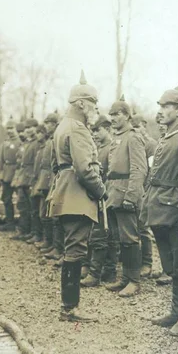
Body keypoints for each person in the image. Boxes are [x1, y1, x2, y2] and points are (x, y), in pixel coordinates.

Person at [48, 71, 105, 322]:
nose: (95, 108)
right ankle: (69, 308)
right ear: (81, 103)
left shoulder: (62, 127)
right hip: (77, 196)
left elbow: (54, 165)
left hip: (63, 193)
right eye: (93, 103)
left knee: (71, 249)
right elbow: (84, 169)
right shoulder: (78, 129)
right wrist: (101, 190)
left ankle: (68, 306)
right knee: (75, 252)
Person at [141, 82, 178, 336]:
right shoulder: (167, 137)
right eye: (161, 106)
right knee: (170, 265)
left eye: (167, 106)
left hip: (176, 209)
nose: (162, 110)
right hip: (160, 207)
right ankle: (176, 310)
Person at [103, 96, 147, 297]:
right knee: (120, 238)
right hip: (114, 193)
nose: (112, 118)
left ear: (127, 116)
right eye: (111, 114)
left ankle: (134, 281)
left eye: (117, 114)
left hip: (126, 195)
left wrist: (131, 196)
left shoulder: (133, 137)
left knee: (130, 239)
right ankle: (125, 277)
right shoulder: (117, 137)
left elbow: (139, 169)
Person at [81, 115, 118, 286]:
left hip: (107, 195)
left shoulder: (112, 149)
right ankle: (101, 270)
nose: (94, 134)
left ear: (108, 129)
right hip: (97, 194)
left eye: (98, 130)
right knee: (99, 234)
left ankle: (100, 273)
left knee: (103, 235)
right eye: (93, 130)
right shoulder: (98, 148)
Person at [132, 113, 157, 277]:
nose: (135, 130)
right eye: (133, 128)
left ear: (144, 125)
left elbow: (151, 170)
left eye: (137, 127)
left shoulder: (151, 145)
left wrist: (145, 190)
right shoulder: (132, 142)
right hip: (133, 188)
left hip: (145, 190)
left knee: (143, 228)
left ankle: (147, 263)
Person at [32, 113, 59, 251]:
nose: (46, 126)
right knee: (44, 213)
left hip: (52, 179)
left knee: (52, 214)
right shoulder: (50, 140)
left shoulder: (57, 138)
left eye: (49, 123)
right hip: (45, 179)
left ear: (54, 124)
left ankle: (54, 245)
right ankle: (48, 241)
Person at [11, 118, 40, 241]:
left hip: (31, 178)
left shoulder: (37, 143)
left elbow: (37, 162)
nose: (28, 130)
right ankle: (24, 230)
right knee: (22, 206)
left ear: (36, 128)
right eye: (26, 128)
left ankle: (34, 232)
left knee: (33, 208)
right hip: (22, 178)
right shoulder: (26, 143)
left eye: (30, 128)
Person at [0, 119, 21, 231]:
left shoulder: (20, 142)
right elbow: (1, 160)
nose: (9, 131)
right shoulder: (5, 142)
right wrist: (0, 174)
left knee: (22, 200)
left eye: (12, 128)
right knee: (6, 198)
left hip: (16, 173)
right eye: (8, 128)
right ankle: (9, 223)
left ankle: (23, 225)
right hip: (6, 174)